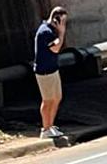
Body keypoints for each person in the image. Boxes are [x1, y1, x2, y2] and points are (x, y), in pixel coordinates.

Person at [34, 7, 68, 139]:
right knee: (48, 100)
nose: (64, 24)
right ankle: (45, 128)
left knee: (57, 97)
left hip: (52, 68)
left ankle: (51, 125)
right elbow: (56, 48)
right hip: (44, 71)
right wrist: (61, 33)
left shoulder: (51, 30)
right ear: (56, 20)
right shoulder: (46, 32)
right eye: (63, 21)